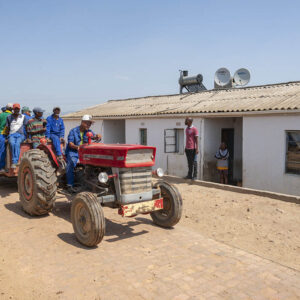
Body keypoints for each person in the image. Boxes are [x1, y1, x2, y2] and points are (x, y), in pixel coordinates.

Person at [66, 115, 101, 191]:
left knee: (93, 164)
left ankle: (91, 183)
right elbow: (70, 144)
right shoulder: (73, 131)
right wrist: (78, 147)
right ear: (82, 122)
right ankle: (70, 184)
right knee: (71, 162)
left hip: (84, 152)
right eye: (87, 123)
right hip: (73, 151)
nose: (89, 125)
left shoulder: (89, 132)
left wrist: (97, 136)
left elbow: (93, 136)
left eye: (90, 124)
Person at [6, 103, 28, 169]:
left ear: (19, 109)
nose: (16, 110)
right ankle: (14, 161)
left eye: (17, 109)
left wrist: (27, 137)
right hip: (11, 134)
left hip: (20, 134)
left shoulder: (23, 117)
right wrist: (6, 136)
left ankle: (15, 162)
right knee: (12, 144)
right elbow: (7, 127)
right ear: (13, 109)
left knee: (17, 144)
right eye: (15, 109)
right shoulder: (9, 117)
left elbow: (26, 127)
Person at [0, 103, 13, 172]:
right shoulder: (12, 116)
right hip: (7, 134)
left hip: (1, 134)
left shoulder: (1, 115)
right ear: (11, 109)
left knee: (2, 151)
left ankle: (2, 167)